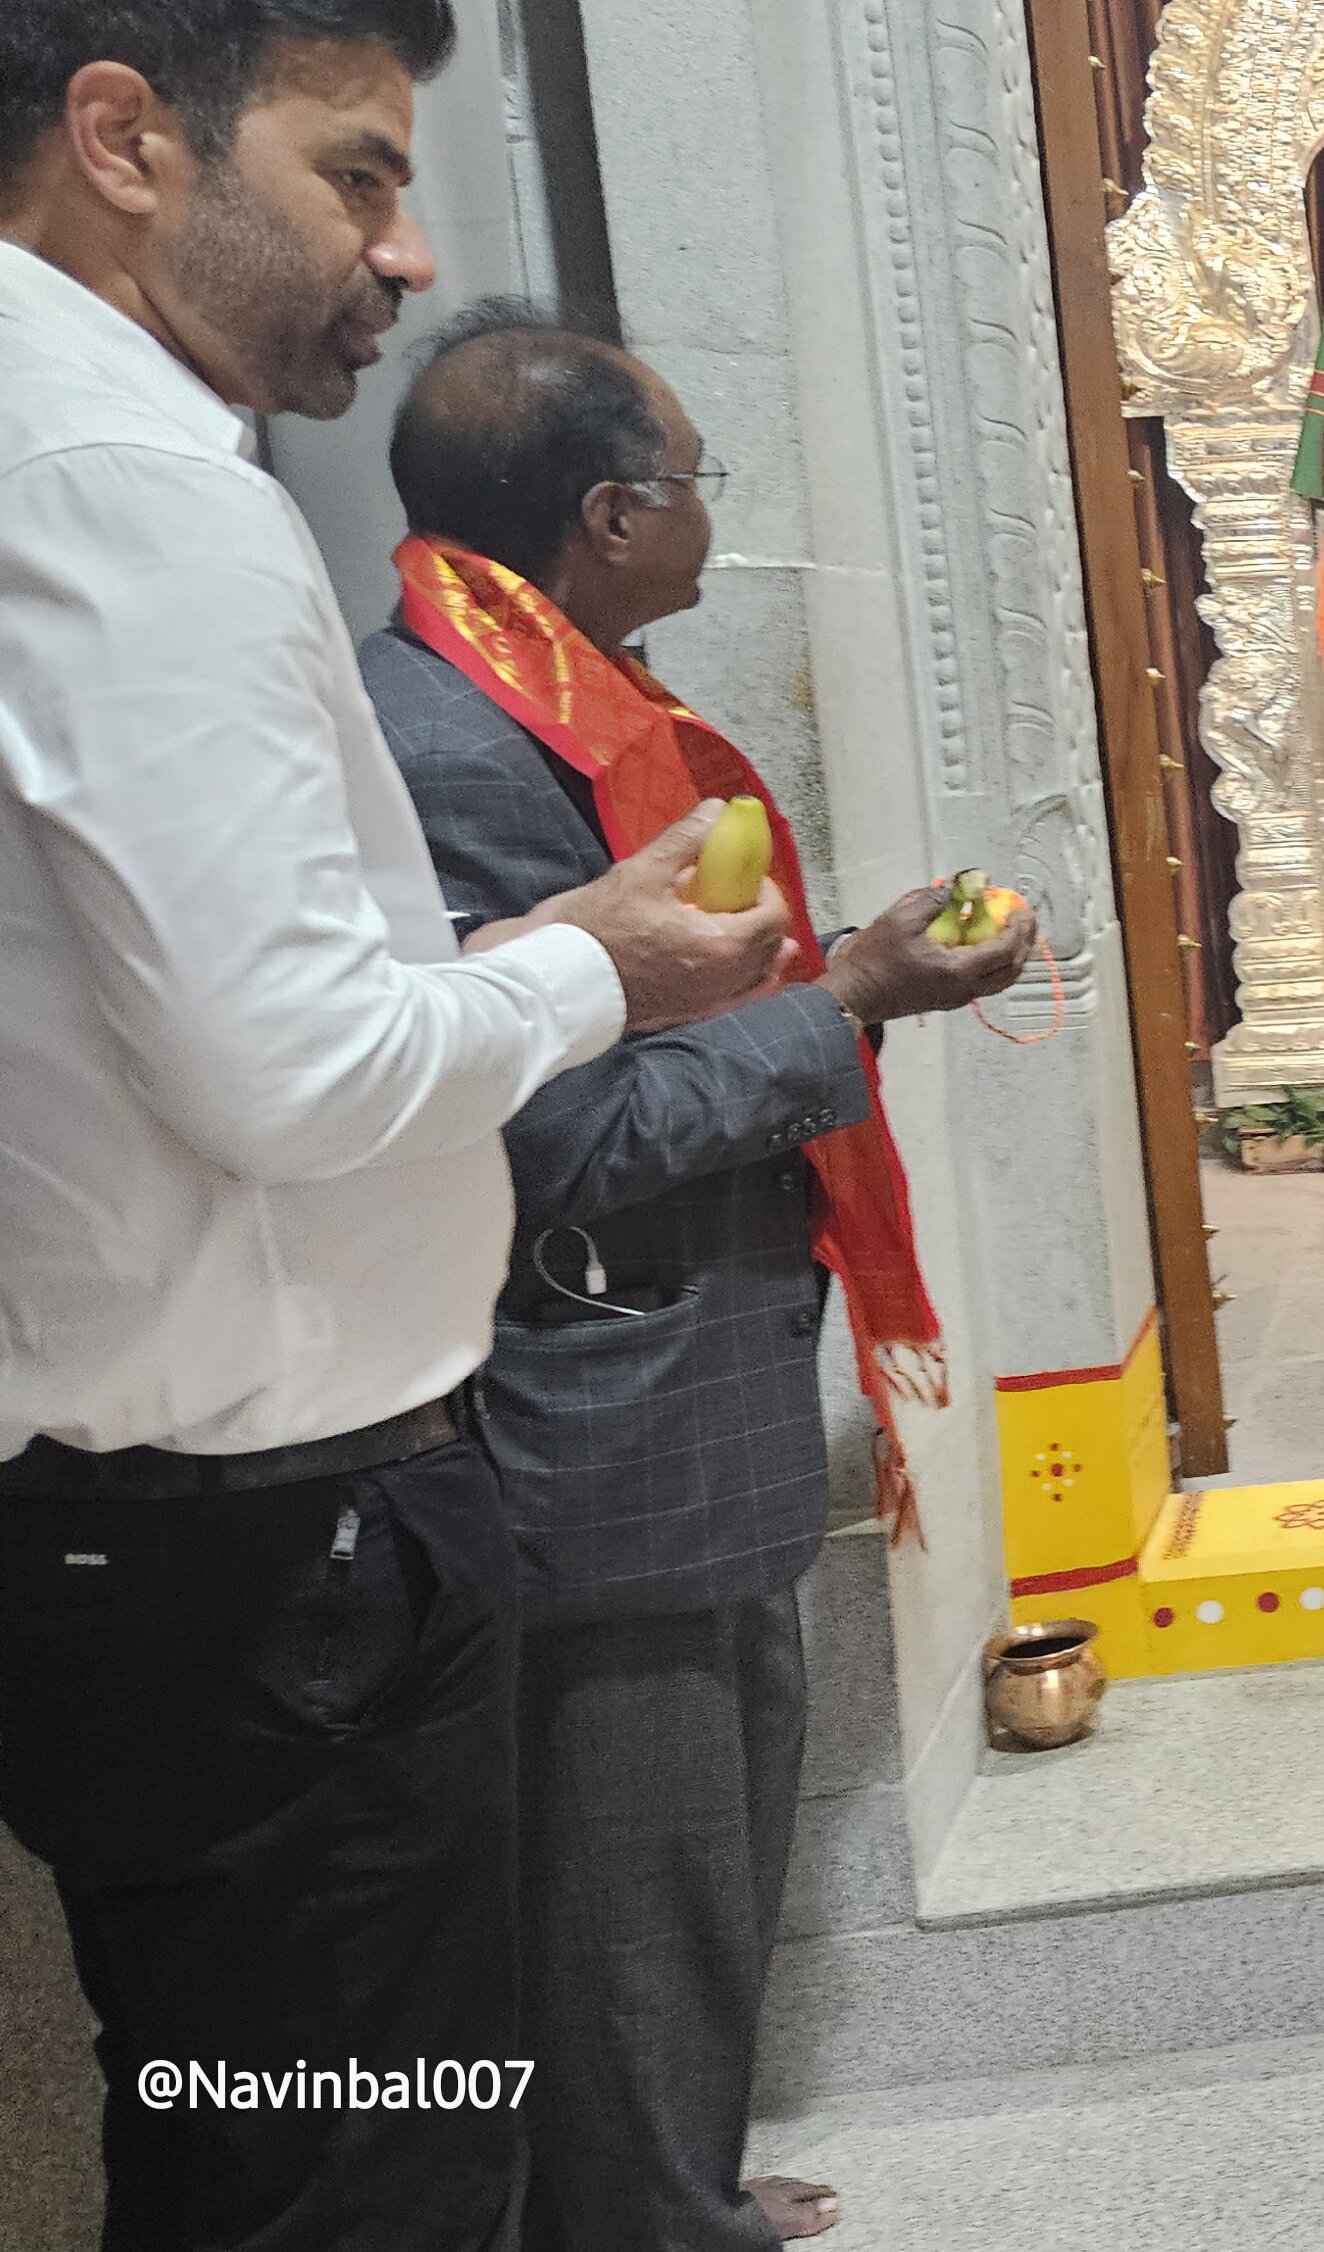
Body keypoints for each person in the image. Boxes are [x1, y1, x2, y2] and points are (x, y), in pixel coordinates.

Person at [0, 6, 791, 2245]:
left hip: (168, 1534)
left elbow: (206, 994)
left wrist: (522, 954)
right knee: (370, 2175)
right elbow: (291, 1072)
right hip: (273, 1559)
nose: (408, 249)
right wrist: (601, 971)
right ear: (127, 138)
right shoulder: (132, 488)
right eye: (353, 170)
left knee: (254, 2143)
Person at [364, 306, 1030, 2251]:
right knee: (632, 1862)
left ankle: (666, 2184)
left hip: (676, 1382)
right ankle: (647, 2220)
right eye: (693, 478)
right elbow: (548, 1136)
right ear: (608, 513)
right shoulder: (455, 744)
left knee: (689, 1844)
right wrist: (854, 996)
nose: (707, 512)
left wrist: (848, 985)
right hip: (601, 1404)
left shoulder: (560, 699)